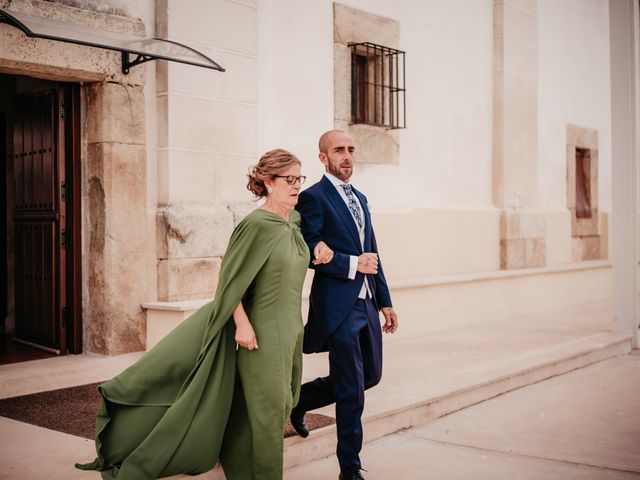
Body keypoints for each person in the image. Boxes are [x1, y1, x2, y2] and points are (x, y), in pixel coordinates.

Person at [76, 148, 334, 480]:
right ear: (269, 182)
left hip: (291, 329)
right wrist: (242, 324)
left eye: (300, 178)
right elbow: (229, 281)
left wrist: (318, 249)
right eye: (290, 179)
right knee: (270, 413)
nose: (297, 185)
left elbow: (292, 258)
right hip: (262, 334)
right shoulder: (256, 225)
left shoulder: (294, 222)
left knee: (273, 405)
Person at [290, 130, 399, 480]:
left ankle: (301, 400)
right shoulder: (313, 198)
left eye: (351, 149)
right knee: (351, 390)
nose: (347, 156)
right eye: (339, 150)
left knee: (371, 376)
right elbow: (311, 249)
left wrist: (385, 301)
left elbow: (373, 251)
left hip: (366, 302)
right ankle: (349, 470)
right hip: (338, 306)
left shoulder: (361, 197)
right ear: (323, 157)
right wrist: (352, 265)